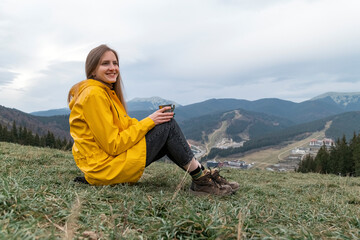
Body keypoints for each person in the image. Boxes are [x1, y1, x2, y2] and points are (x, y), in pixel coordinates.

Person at [68, 44, 239, 196]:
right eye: (105, 63)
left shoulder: (104, 92)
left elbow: (125, 125)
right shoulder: (94, 95)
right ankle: (202, 182)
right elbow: (113, 144)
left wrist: (170, 134)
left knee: (166, 126)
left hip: (105, 165)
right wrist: (151, 121)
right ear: (92, 69)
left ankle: (204, 178)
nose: (113, 68)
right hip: (105, 169)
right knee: (167, 125)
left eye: (115, 63)